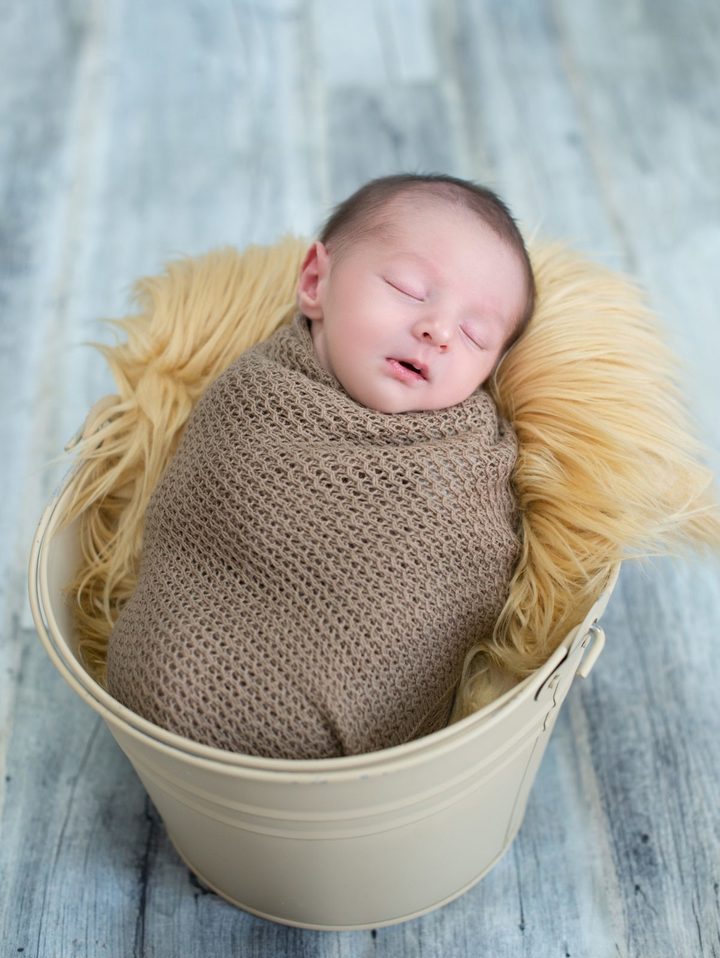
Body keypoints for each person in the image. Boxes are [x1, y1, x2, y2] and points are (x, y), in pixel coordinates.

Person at [106, 173, 536, 759]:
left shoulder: (465, 452)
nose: (438, 331)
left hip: (341, 728)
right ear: (315, 282)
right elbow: (200, 507)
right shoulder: (258, 393)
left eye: (474, 333)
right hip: (168, 651)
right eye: (409, 289)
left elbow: (466, 560)